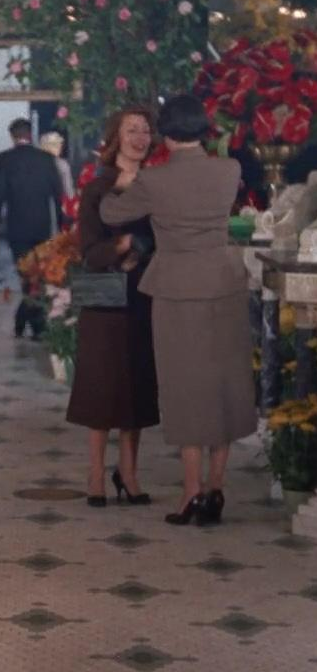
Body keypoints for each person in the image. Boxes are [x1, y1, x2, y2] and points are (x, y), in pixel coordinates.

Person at [100, 94, 256, 526]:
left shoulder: (155, 179)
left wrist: (124, 178)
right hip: (224, 283)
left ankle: (190, 491)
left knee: (186, 388)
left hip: (177, 289)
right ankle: (217, 488)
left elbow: (111, 213)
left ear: (165, 134)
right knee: (224, 385)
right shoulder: (229, 169)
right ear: (203, 128)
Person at [66, 107, 160, 507]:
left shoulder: (155, 186)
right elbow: (88, 250)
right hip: (105, 302)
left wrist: (146, 251)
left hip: (144, 295)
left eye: (145, 130)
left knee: (137, 386)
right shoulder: (99, 188)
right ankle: (95, 474)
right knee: (102, 388)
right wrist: (121, 246)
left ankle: (129, 472)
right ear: (116, 138)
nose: (139, 138)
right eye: (131, 130)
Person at [0, 117, 65, 338]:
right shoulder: (45, 158)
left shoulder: (5, 159)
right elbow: (58, 192)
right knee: (39, 275)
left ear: (13, 136)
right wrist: (61, 221)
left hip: (18, 227)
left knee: (26, 274)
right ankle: (30, 320)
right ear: (30, 134)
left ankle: (30, 321)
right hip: (42, 226)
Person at [39, 130, 75, 198]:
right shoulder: (62, 164)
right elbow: (69, 192)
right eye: (56, 145)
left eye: (60, 144)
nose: (60, 147)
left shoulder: (37, 162)